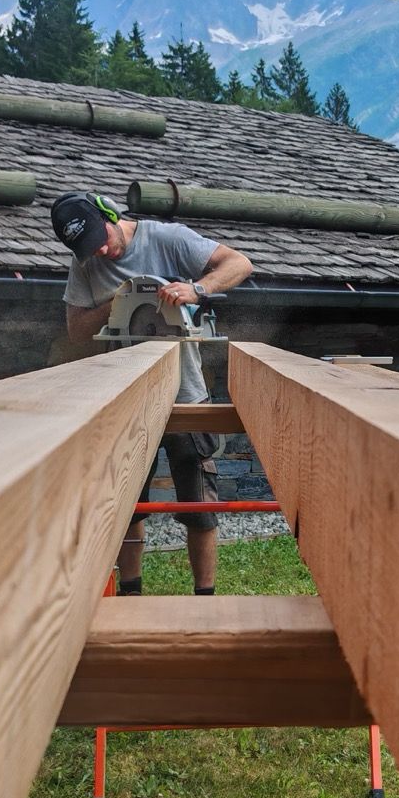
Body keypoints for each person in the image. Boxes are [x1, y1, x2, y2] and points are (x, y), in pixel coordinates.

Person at [52, 191, 254, 595]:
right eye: (91, 250)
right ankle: (130, 593)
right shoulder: (86, 263)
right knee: (127, 505)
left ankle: (204, 599)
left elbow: (239, 263)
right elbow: (76, 331)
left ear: (110, 213)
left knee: (199, 504)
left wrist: (197, 289)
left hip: (186, 393)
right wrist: (118, 301)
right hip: (126, 398)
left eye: (102, 239)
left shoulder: (166, 238)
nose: (103, 251)